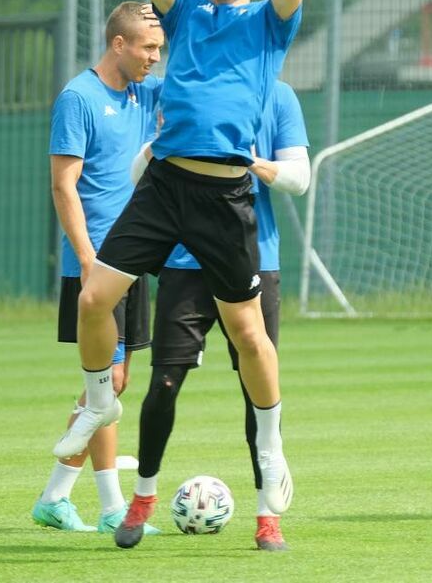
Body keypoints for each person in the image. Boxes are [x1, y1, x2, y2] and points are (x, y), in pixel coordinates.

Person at [51, 0, 306, 549]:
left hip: (227, 198)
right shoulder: (186, 10)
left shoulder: (268, 24)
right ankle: (100, 400)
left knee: (251, 336)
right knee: (94, 297)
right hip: (166, 183)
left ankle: (273, 445)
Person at [126, 80, 309, 551]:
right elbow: (136, 177)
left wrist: (246, 159)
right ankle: (142, 497)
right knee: (164, 383)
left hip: (254, 262)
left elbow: (299, 179)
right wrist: (160, 145)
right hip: (184, 265)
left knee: (257, 387)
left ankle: (268, 517)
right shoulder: (182, 92)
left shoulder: (279, 97)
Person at [31, 1, 164, 535]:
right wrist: (87, 261)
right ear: (118, 44)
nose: (155, 58)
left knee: (115, 383)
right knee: (106, 383)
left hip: (133, 262)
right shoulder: (78, 98)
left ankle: (55, 498)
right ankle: (111, 507)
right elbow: (64, 186)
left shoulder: (144, 90)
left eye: (159, 48)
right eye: (147, 48)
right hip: (96, 265)